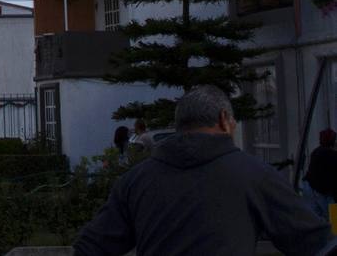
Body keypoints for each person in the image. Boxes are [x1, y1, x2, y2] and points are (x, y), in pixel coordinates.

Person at [74, 85, 333, 256]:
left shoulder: (135, 181)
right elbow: (316, 242)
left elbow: (91, 247)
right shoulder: (254, 175)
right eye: (233, 121)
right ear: (223, 119)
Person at [304, 128, 337, 219]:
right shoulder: (332, 156)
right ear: (333, 141)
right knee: (334, 222)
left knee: (316, 220)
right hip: (324, 194)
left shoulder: (315, 152)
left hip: (311, 190)